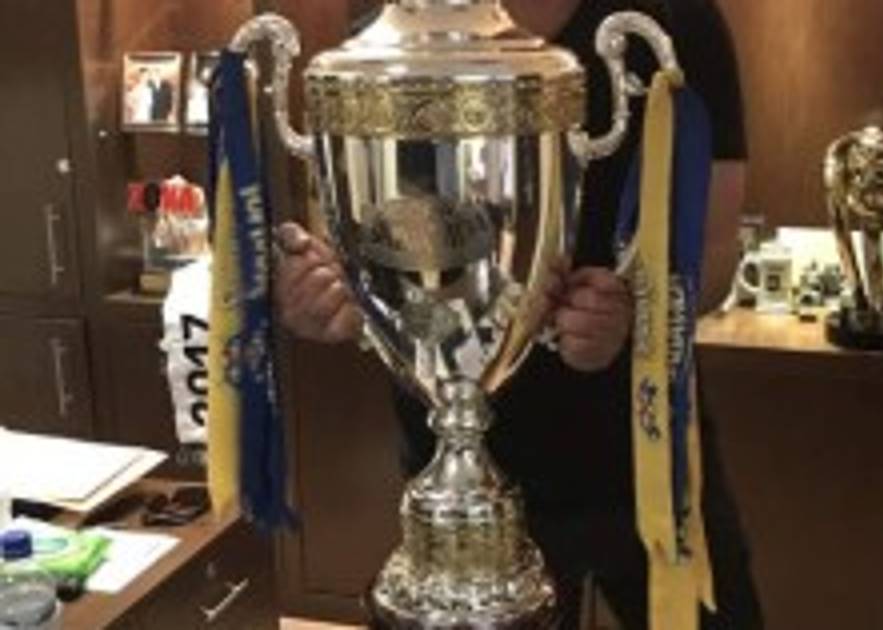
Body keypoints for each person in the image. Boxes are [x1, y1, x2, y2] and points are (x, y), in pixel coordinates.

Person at [274, 0, 763, 628]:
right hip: (455, 466)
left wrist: (637, 313)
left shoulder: (675, 18)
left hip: (642, 450)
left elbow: (714, 253)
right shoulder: (392, 27)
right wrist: (328, 294)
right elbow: (380, 237)